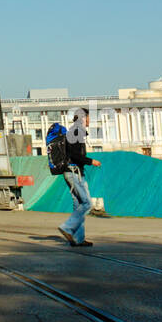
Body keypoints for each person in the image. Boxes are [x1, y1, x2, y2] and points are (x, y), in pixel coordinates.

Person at [58, 106, 101, 247]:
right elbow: (74, 155)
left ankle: (78, 239)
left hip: (73, 172)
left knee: (78, 205)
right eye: (88, 117)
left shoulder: (75, 131)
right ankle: (67, 227)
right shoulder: (76, 132)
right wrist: (91, 161)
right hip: (73, 172)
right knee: (87, 203)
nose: (89, 120)